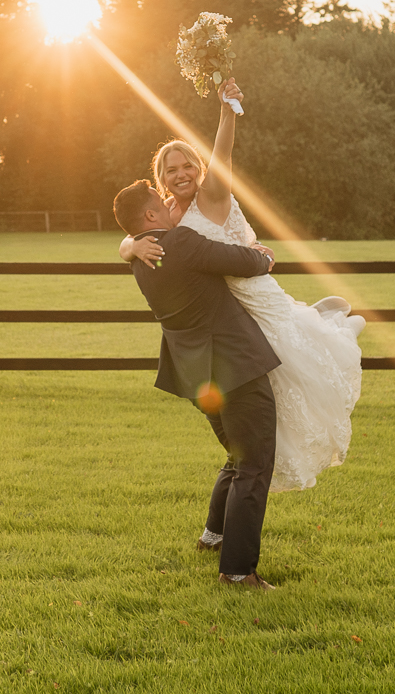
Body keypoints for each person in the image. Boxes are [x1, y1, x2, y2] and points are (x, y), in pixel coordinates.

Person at [119, 78, 366, 509]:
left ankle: (226, 522)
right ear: (161, 183)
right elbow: (141, 230)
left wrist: (226, 111)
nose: (181, 174)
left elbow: (224, 155)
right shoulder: (172, 218)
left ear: (199, 167)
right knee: (253, 426)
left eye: (187, 166)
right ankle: (222, 530)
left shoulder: (213, 193)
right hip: (233, 316)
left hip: (254, 296)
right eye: (170, 171)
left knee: (295, 383)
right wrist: (129, 245)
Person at [114, 178, 283, 591]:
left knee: (237, 453)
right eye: (161, 201)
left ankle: (214, 536)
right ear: (151, 215)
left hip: (197, 376)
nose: (170, 204)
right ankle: (238, 571)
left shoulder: (141, 256)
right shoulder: (182, 242)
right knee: (254, 464)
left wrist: (128, 244)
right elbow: (244, 262)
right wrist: (263, 257)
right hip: (235, 366)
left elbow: (130, 242)